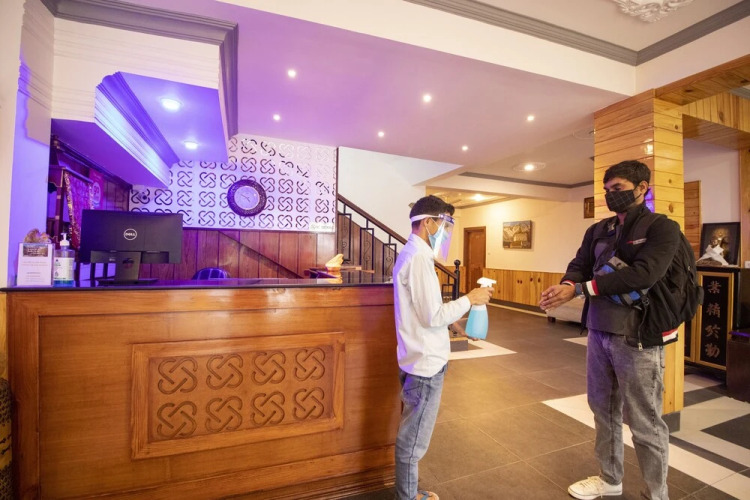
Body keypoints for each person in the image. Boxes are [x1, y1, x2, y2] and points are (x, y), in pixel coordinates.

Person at [539, 160, 681, 500]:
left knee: (644, 421)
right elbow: (580, 265)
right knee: (602, 410)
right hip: (599, 330)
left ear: (642, 187)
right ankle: (610, 479)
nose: (610, 195)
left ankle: (657, 493)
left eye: (617, 189)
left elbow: (644, 274)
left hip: (638, 337)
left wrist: (582, 288)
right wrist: (568, 284)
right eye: (607, 190)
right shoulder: (598, 230)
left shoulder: (662, 228)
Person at [393, 195, 493, 500]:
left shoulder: (413, 254)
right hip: (425, 364)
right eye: (445, 224)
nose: (446, 232)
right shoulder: (419, 259)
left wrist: (455, 325)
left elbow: (425, 311)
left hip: (416, 357)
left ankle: (409, 492)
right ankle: (408, 497)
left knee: (413, 436)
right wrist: (470, 299)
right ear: (428, 222)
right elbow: (431, 315)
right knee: (413, 442)